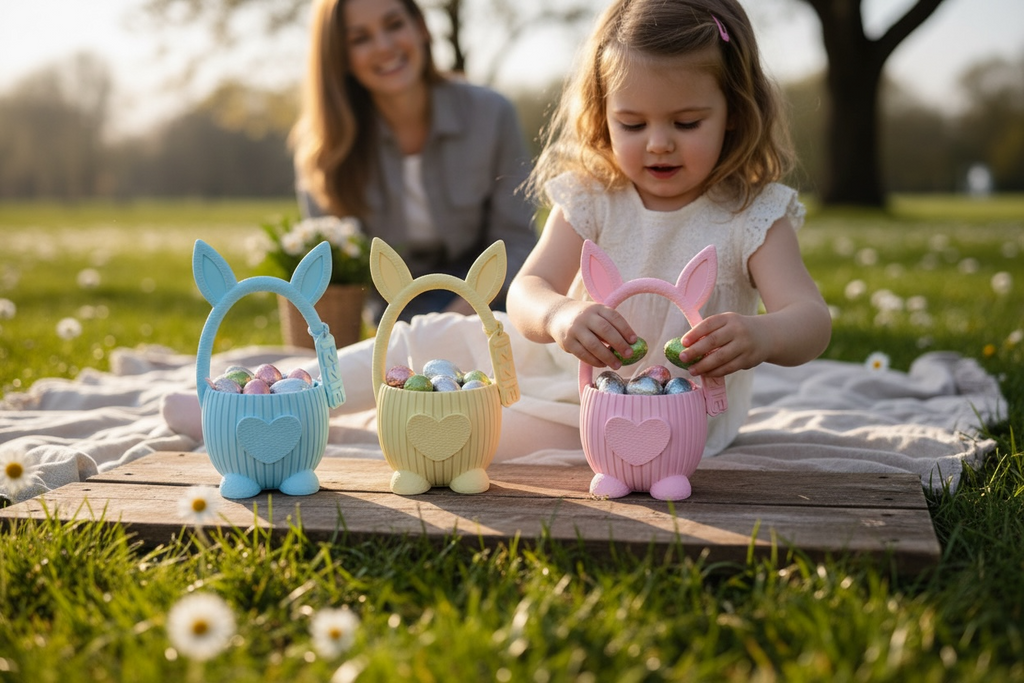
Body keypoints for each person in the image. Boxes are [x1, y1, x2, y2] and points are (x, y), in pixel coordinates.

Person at [505, 0, 832, 456]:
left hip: (684, 423)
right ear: (603, 114)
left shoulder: (752, 212)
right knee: (431, 340)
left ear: (734, 111)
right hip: (562, 384)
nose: (659, 143)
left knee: (485, 430)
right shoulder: (592, 196)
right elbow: (527, 289)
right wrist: (558, 315)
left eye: (687, 122)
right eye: (632, 123)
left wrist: (764, 335)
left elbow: (812, 321)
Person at [291, 0, 537, 321]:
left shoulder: (492, 114)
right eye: (360, 39)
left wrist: (454, 318)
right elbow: (332, 274)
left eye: (394, 25)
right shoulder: (325, 149)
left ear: (420, 27)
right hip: (394, 314)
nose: (384, 46)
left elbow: (517, 243)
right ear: (340, 57)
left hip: (491, 302)